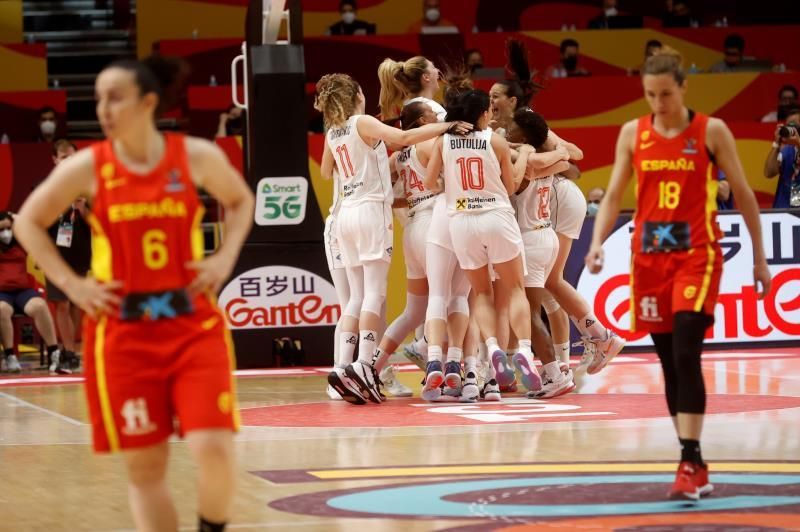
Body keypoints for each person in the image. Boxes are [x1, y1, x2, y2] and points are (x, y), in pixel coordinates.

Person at [13, 56, 255, 531]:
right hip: (123, 335)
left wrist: (224, 259)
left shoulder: (194, 156)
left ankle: (213, 525)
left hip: (192, 326)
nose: (103, 107)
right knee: (147, 469)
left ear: (148, 102)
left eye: (115, 96)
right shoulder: (88, 167)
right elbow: (27, 221)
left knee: (214, 446)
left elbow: (241, 199)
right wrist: (75, 285)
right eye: (99, 98)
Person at [585, 47, 772, 500]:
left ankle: (688, 459)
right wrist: (595, 243)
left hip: (697, 254)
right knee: (669, 361)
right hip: (648, 259)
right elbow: (612, 195)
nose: (658, 103)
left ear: (683, 87)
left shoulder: (712, 131)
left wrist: (761, 258)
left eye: (665, 94)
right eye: (650, 95)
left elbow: (745, 195)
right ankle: (696, 460)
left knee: (688, 349)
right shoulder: (633, 133)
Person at [316, 73, 471, 405]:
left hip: (344, 213)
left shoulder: (333, 133)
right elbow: (402, 137)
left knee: (354, 298)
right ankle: (365, 368)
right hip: (371, 211)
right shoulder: (362, 122)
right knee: (374, 293)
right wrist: (445, 126)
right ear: (356, 95)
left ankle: (343, 369)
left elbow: (326, 172)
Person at [424, 89, 539, 393]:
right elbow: (512, 186)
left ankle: (493, 348)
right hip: (496, 215)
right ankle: (524, 352)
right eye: (487, 109)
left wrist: (451, 186)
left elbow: (428, 182)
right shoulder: (495, 141)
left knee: (481, 292)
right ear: (481, 114)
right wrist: (524, 156)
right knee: (514, 289)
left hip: (461, 221)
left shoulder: (443, 141)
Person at [512, 108, 576, 398]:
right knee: (530, 309)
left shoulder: (527, 164)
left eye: (513, 128)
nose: (507, 130)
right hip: (545, 233)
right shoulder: (549, 162)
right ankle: (552, 367)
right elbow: (568, 160)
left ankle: (554, 373)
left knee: (530, 314)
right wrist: (559, 149)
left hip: (529, 239)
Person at [45, 139, 91, 371]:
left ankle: (72, 350)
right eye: (63, 158)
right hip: (54, 255)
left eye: (71, 157)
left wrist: (82, 208)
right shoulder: (46, 187)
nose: (68, 162)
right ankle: (70, 353)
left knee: (75, 305)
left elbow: (98, 223)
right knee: (61, 304)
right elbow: (39, 222)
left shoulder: (88, 187)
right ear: (54, 160)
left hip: (80, 254)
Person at [0, 211, 65, 374]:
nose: (5, 233)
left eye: (8, 228)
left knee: (40, 306)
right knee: (1, 310)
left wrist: (13, 217)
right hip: (2, 294)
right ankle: (9, 356)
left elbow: (33, 223)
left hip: (23, 291)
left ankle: (54, 353)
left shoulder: (21, 242)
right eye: (1, 230)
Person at [378, 56, 446, 121]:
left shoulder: (408, 109)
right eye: (433, 67)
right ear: (426, 77)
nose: (438, 70)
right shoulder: (433, 110)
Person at [763, 107, 800, 209]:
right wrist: (776, 144)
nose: (791, 128)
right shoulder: (786, 150)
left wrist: (798, 144)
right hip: (785, 212)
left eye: (794, 124)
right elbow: (768, 173)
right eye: (788, 125)